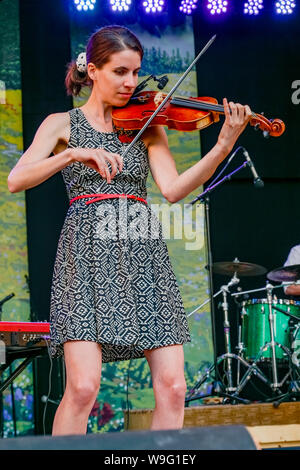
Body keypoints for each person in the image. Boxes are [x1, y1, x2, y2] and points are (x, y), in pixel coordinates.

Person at [7, 25, 252, 436]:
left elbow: (173, 189)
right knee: (83, 387)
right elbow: (17, 179)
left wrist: (223, 144)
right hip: (84, 254)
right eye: (121, 71)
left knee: (173, 388)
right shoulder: (60, 124)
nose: (131, 82)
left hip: (143, 254)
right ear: (94, 71)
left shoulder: (149, 124)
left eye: (136, 72)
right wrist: (73, 155)